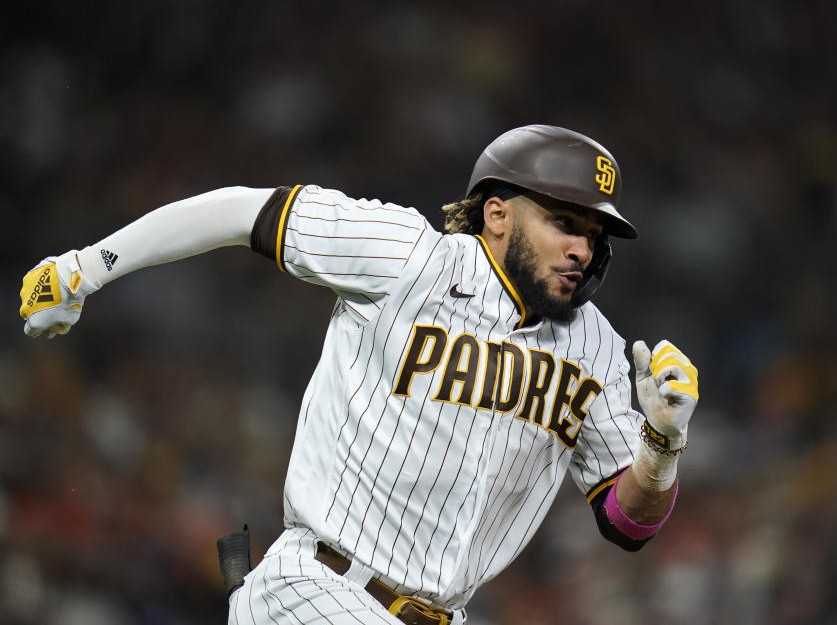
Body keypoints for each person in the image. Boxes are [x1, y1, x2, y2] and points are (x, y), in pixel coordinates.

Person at [19, 124, 699, 625]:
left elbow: (627, 523)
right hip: (320, 592)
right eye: (563, 222)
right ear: (496, 214)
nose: (582, 248)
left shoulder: (601, 351)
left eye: (594, 234)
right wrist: (87, 267)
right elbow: (240, 212)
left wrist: (663, 443)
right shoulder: (411, 257)